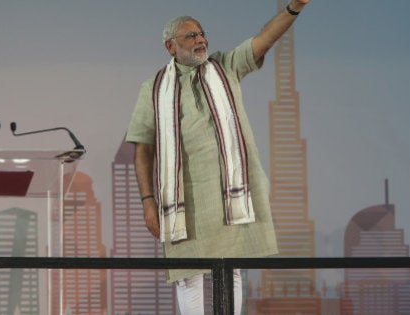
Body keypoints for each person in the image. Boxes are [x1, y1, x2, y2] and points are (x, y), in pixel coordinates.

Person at [126, 0, 310, 313]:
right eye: (191, 35)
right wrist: (147, 200)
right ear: (170, 46)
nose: (201, 40)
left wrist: (294, 8)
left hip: (229, 194)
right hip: (184, 201)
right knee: (189, 276)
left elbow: (264, 40)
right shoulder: (154, 88)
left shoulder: (225, 66)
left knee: (233, 269)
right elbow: (143, 146)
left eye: (202, 34)